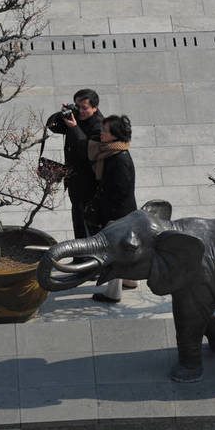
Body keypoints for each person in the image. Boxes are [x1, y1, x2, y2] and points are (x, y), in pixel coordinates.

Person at [63, 113, 137, 303]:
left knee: (113, 253)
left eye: (105, 131)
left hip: (117, 214)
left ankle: (113, 292)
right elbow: (86, 146)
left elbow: (118, 191)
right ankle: (129, 279)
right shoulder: (112, 152)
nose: (101, 134)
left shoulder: (119, 158)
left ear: (115, 135)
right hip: (120, 212)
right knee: (122, 250)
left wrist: (104, 212)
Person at [48, 88, 104, 241]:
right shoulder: (77, 117)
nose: (80, 111)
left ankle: (89, 258)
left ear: (95, 107)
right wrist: (62, 114)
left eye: (84, 108)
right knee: (78, 220)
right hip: (75, 179)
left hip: (90, 183)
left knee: (88, 223)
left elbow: (89, 151)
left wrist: (74, 127)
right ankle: (81, 256)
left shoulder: (99, 126)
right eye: (77, 106)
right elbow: (53, 126)